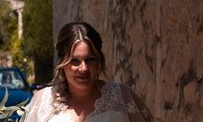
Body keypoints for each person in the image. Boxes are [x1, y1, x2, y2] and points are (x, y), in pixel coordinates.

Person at [23, 22, 154, 122]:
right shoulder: (42, 102)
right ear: (62, 63)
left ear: (99, 61)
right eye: (74, 61)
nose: (83, 68)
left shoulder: (122, 97)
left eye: (90, 59)